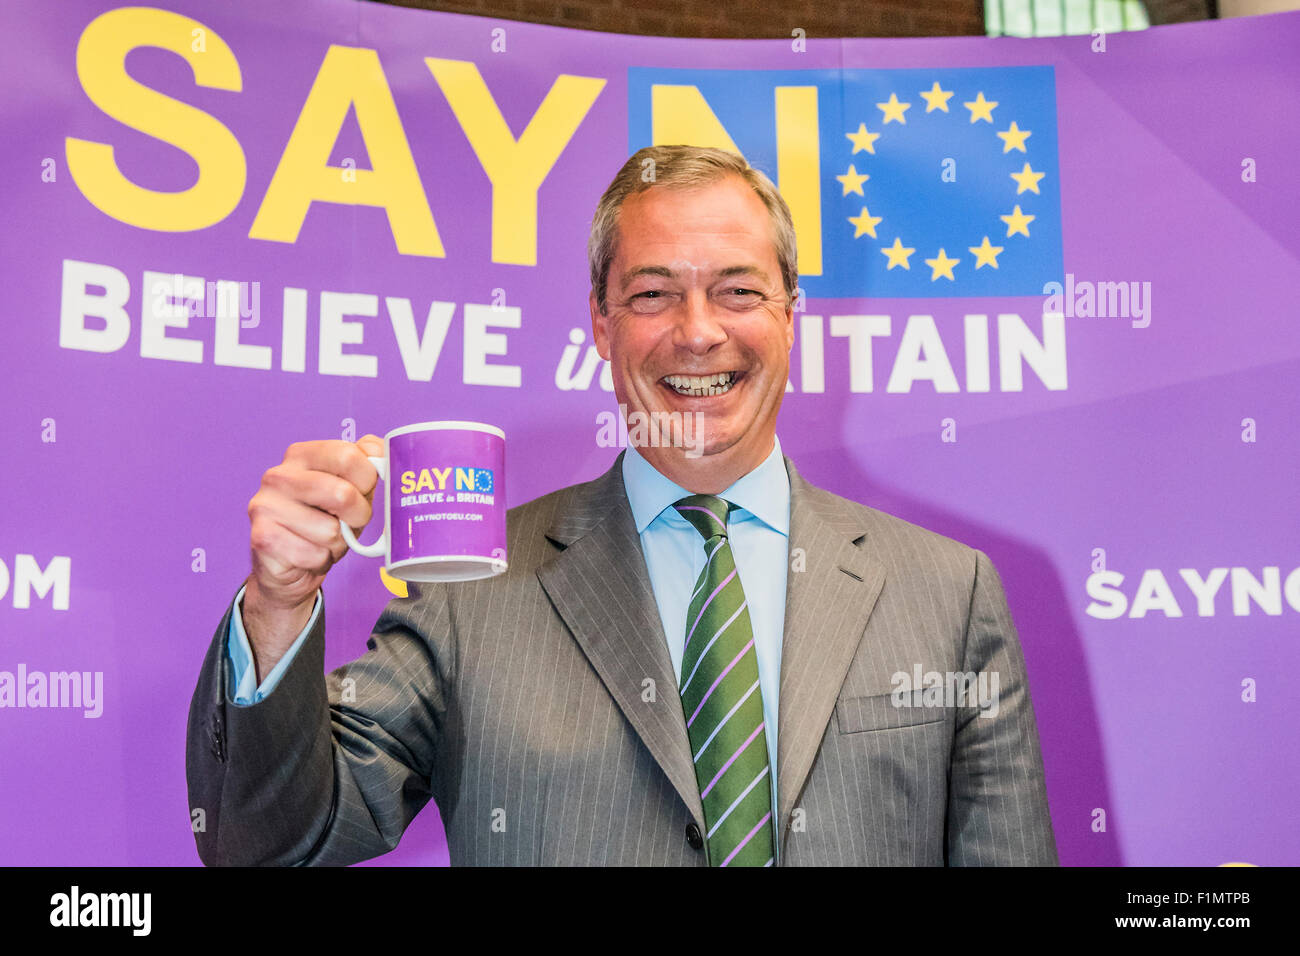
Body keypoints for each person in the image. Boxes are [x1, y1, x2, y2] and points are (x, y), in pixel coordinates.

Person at [185, 145, 1058, 867]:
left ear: (793, 314)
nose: (698, 329)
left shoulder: (948, 593)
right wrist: (278, 606)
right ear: (602, 324)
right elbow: (273, 843)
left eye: (738, 289)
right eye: (652, 293)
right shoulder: (470, 587)